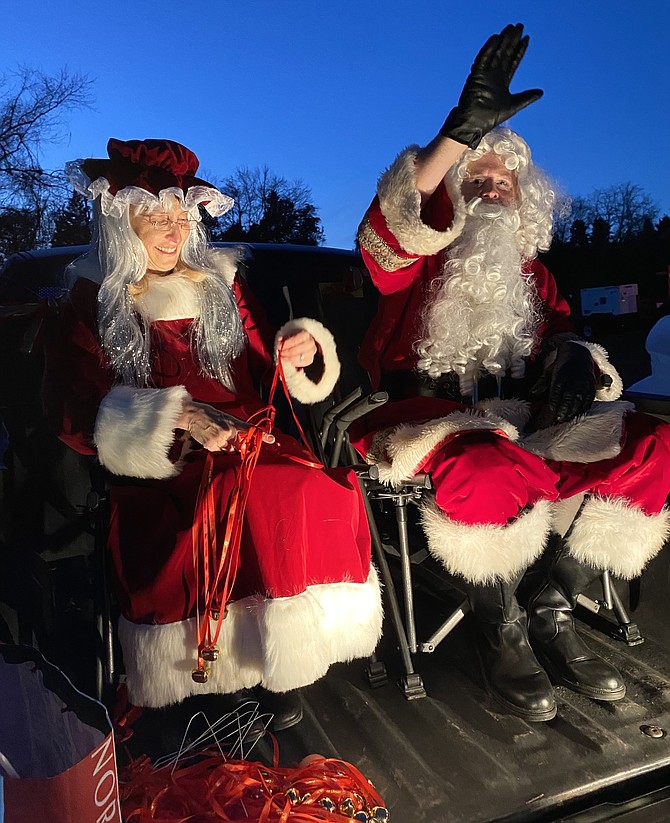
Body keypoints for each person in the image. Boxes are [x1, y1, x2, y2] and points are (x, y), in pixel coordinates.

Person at [351, 23, 670, 722]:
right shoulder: (421, 261)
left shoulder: (536, 277)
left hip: (524, 423)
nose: (492, 188)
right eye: (478, 178)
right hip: (423, 422)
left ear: (524, 198)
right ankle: (503, 625)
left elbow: (561, 333)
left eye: (504, 180)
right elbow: (383, 242)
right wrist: (456, 136)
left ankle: (552, 598)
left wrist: (579, 359)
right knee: (489, 462)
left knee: (653, 443)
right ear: (456, 194)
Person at [41, 138, 383, 726]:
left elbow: (261, 361)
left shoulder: (220, 283)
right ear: (122, 221)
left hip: (248, 433)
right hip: (165, 454)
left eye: (181, 218)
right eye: (157, 219)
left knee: (321, 485)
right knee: (233, 500)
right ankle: (227, 658)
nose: (174, 234)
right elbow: (76, 407)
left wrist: (295, 351)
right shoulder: (90, 297)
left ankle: (285, 654)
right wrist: (182, 416)